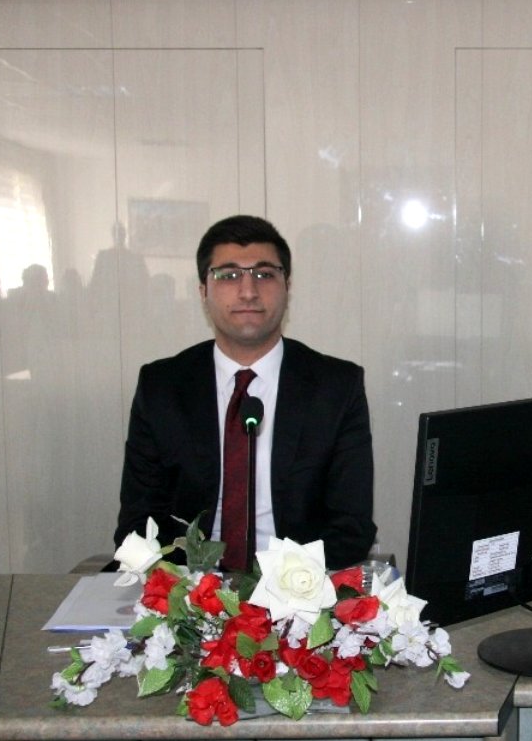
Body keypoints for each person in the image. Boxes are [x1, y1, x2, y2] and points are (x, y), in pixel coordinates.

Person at [114, 215, 376, 570]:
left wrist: (280, 587)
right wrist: (196, 591)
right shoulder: (162, 386)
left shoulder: (336, 387)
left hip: (298, 586)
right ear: (203, 291)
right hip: (189, 585)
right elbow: (138, 523)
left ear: (287, 287)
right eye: (229, 275)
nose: (249, 291)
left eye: (265, 274)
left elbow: (352, 528)